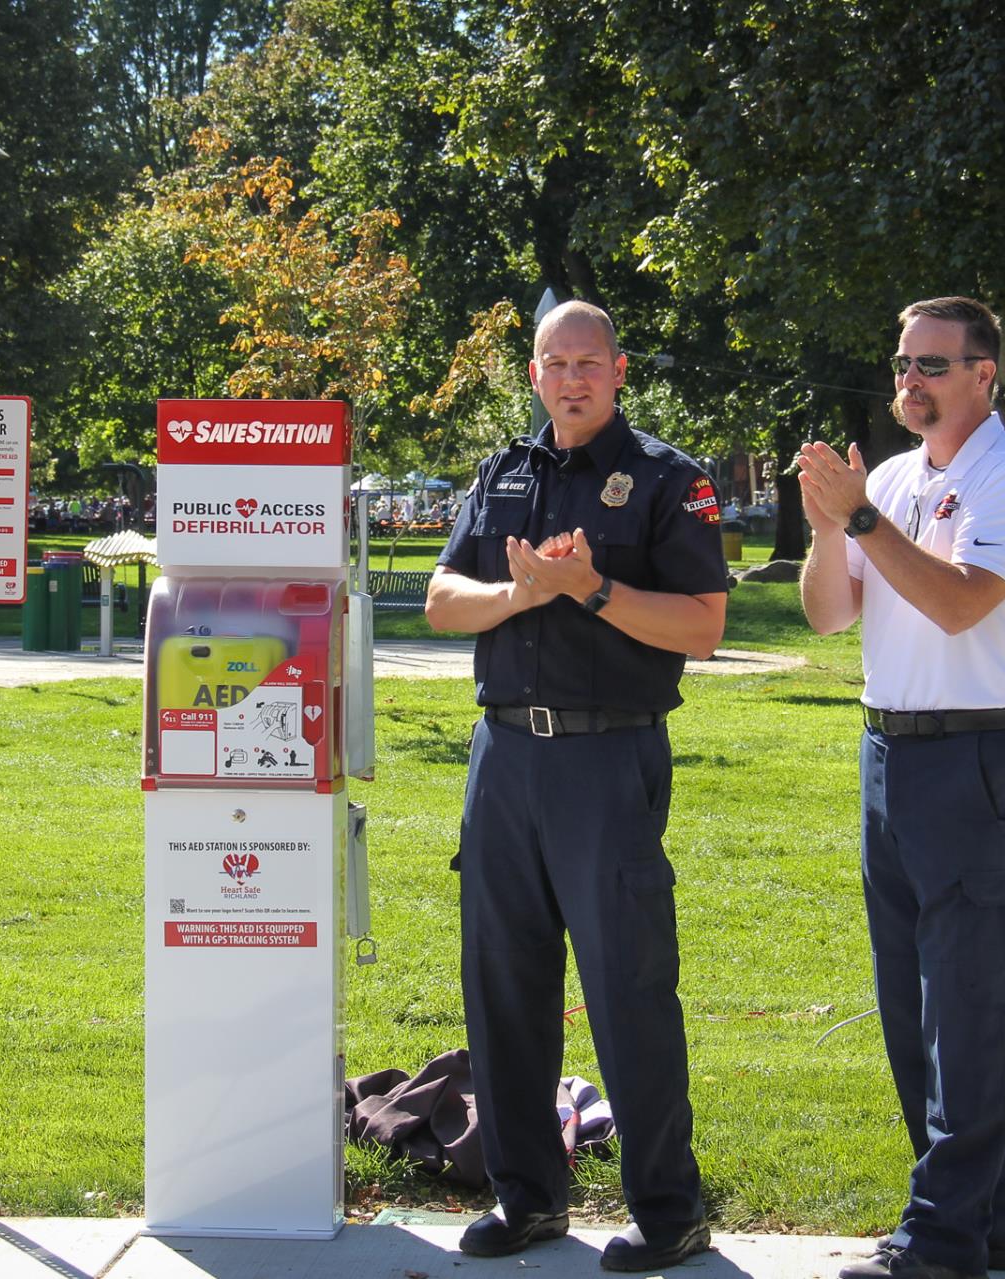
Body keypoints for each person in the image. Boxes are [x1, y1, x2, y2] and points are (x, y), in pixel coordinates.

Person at [425, 300, 730, 1273]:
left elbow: (703, 625)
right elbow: (441, 600)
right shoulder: (503, 472)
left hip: (608, 758)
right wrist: (523, 592)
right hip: (505, 755)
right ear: (534, 374)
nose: (573, 379)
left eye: (589, 363)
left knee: (628, 986)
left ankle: (670, 1209)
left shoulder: (667, 481)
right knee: (504, 985)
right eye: (556, 363)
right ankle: (528, 1199)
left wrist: (592, 589)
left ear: (619, 369)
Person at [795, 297, 1005, 1279]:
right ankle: (989, 1223)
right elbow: (829, 615)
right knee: (912, 1011)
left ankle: (940, 1237)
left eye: (934, 366)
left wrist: (861, 512)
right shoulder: (900, 478)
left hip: (974, 759)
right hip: (890, 753)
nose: (910, 382)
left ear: (984, 374)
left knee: (965, 1002)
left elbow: (956, 606)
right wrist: (833, 528)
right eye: (903, 364)